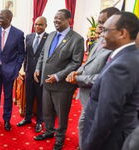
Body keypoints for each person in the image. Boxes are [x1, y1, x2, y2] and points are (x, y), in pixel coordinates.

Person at [82, 12, 139, 150]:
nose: (101, 34)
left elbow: (106, 115)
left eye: (106, 30)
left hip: (110, 140)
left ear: (122, 33)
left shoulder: (121, 65)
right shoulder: (131, 56)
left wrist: (90, 145)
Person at [65, 7, 119, 149]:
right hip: (87, 95)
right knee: (85, 126)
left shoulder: (115, 46)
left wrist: (79, 79)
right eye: (99, 22)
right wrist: (77, 72)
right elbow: (88, 62)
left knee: (88, 127)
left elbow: (104, 77)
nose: (99, 26)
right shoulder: (100, 40)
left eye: (103, 22)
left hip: (99, 97)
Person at [33, 9, 84, 150]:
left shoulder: (77, 39)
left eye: (59, 19)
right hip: (46, 82)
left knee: (61, 114)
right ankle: (49, 131)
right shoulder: (50, 35)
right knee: (47, 111)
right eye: (55, 18)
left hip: (62, 85)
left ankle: (60, 138)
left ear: (69, 21)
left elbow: (75, 63)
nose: (56, 21)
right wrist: (38, 68)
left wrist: (57, 76)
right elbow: (43, 55)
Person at [0, 9, 25, 131]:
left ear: (9, 19)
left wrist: (16, 69)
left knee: (8, 97)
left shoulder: (18, 34)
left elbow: (21, 54)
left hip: (10, 70)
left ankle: (7, 119)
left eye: (1, 18)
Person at [16, 16, 48, 133]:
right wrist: (24, 69)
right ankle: (27, 118)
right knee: (28, 96)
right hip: (29, 72)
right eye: (36, 24)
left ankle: (40, 121)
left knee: (40, 98)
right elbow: (26, 54)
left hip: (41, 74)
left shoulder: (49, 38)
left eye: (40, 25)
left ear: (45, 26)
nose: (38, 27)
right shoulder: (29, 37)